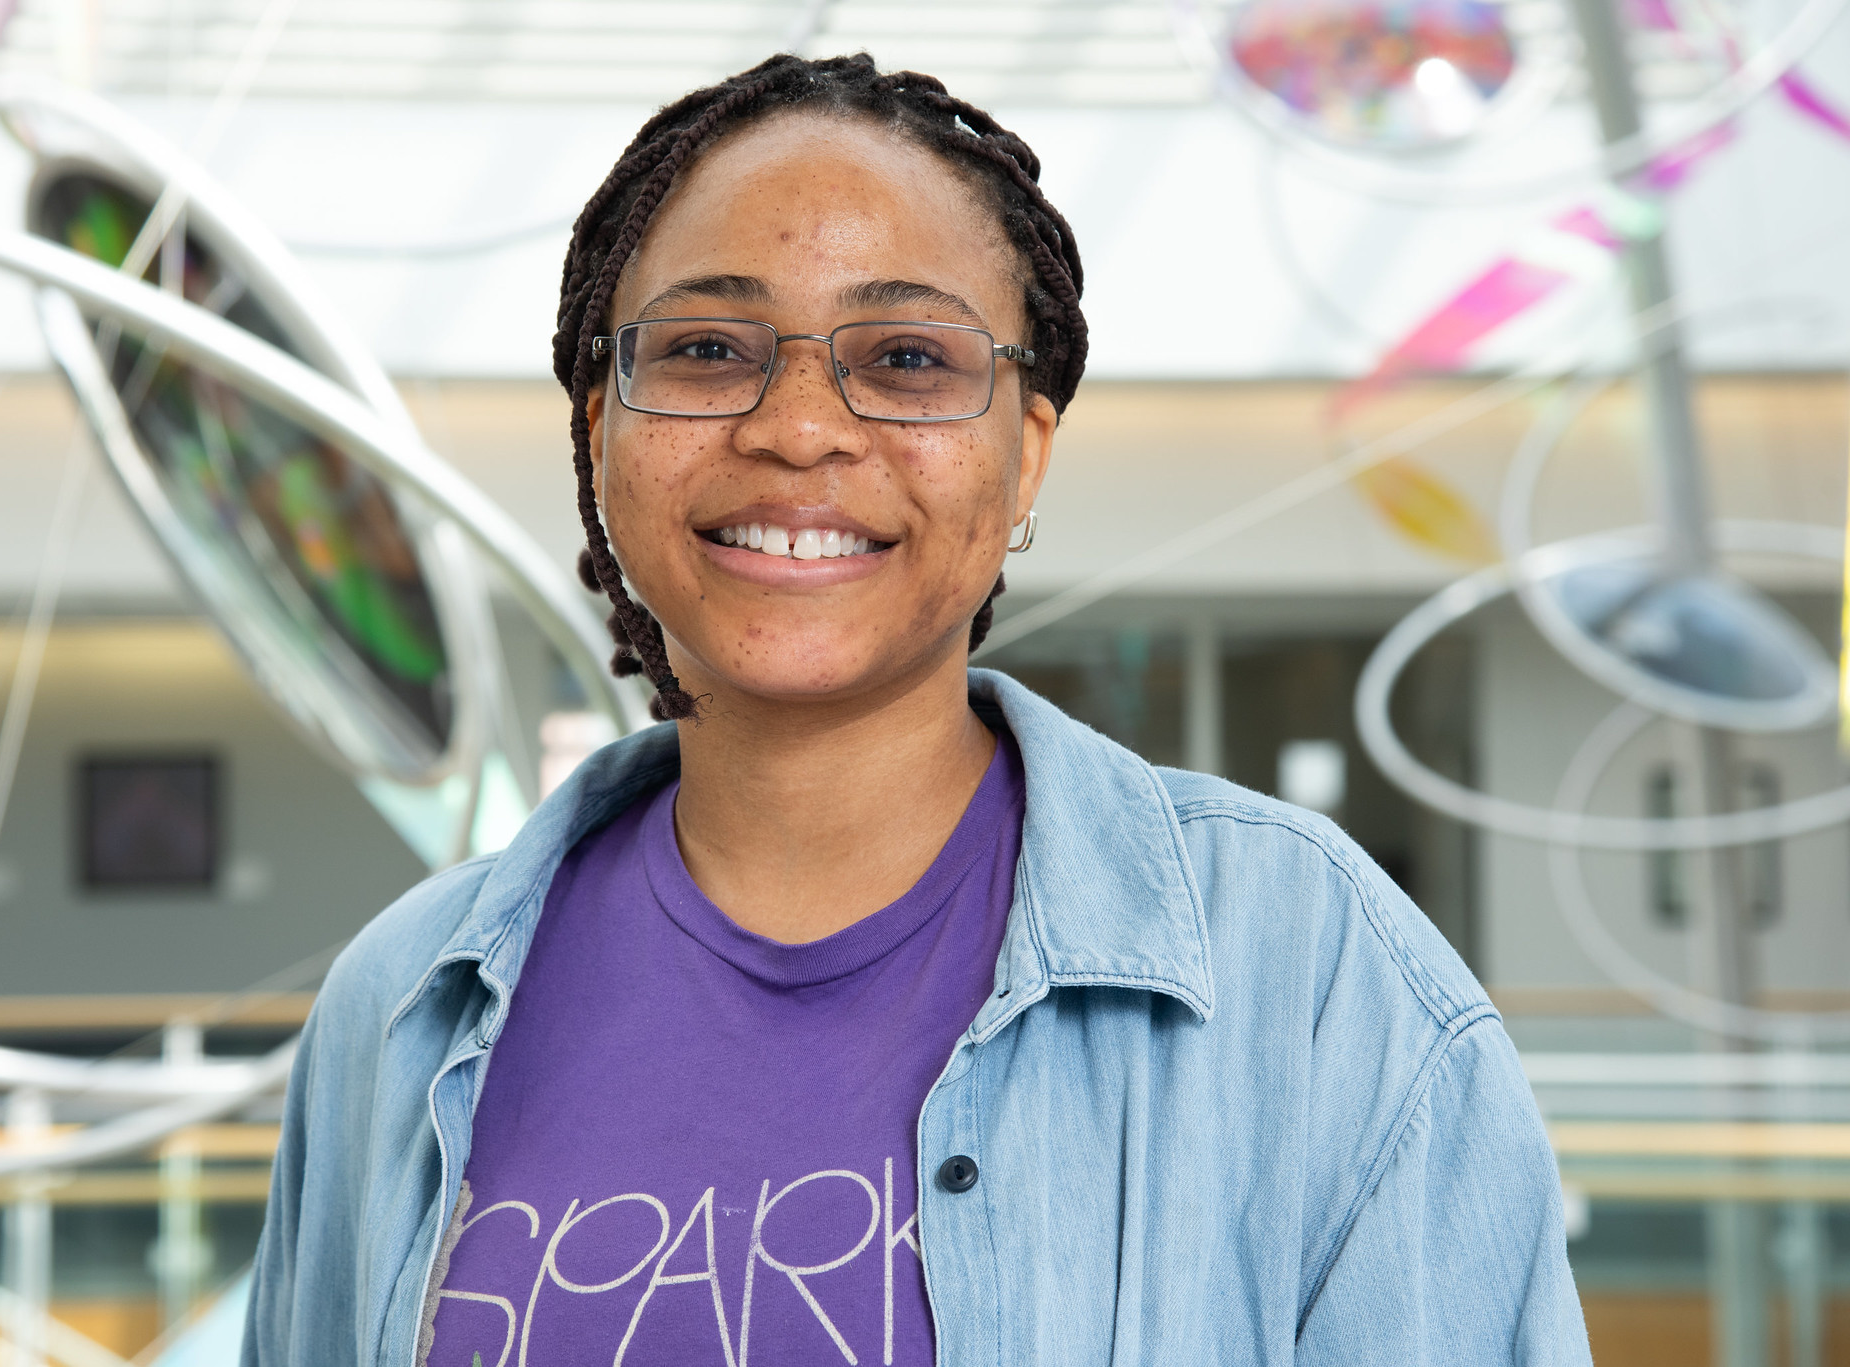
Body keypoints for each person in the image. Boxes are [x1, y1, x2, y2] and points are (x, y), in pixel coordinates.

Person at [245, 52, 1590, 1367]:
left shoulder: (1314, 981)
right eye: (710, 348)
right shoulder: (397, 1006)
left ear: (1025, 456)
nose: (801, 428)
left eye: (905, 358)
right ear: (602, 431)